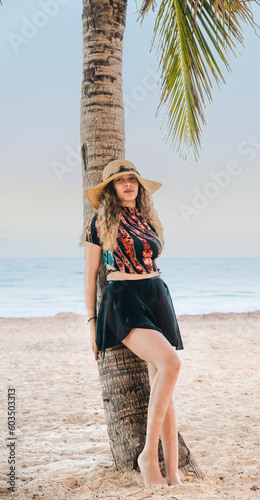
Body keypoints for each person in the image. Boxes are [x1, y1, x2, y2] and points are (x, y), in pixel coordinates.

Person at [83, 159, 184, 488]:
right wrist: (91, 323)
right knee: (171, 364)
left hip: (156, 295)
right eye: (120, 181)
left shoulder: (147, 218)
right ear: (110, 188)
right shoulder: (98, 223)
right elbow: (89, 277)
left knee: (165, 388)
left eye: (133, 180)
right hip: (123, 297)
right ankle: (146, 456)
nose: (128, 184)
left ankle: (172, 473)